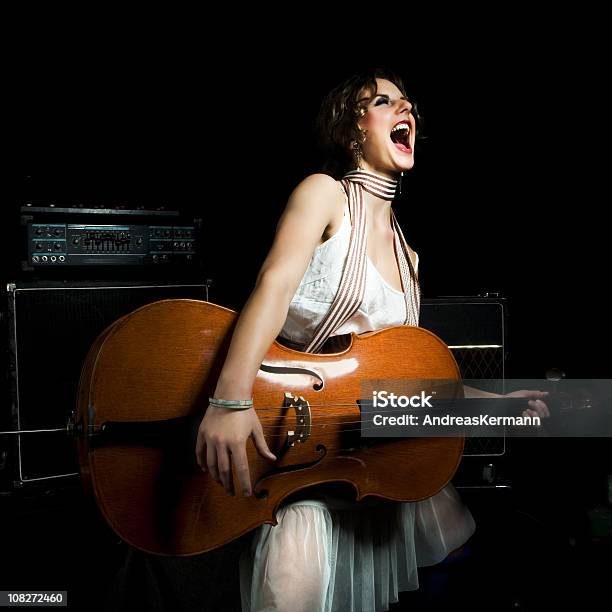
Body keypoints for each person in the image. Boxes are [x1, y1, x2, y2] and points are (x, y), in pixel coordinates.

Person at [195, 68, 549, 612]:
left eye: (410, 104)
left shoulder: (409, 256)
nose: (406, 111)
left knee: (457, 548)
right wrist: (229, 399)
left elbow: (399, 387)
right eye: (385, 102)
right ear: (352, 127)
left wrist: (499, 405)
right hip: (297, 462)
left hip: (366, 469)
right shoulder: (323, 194)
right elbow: (272, 286)